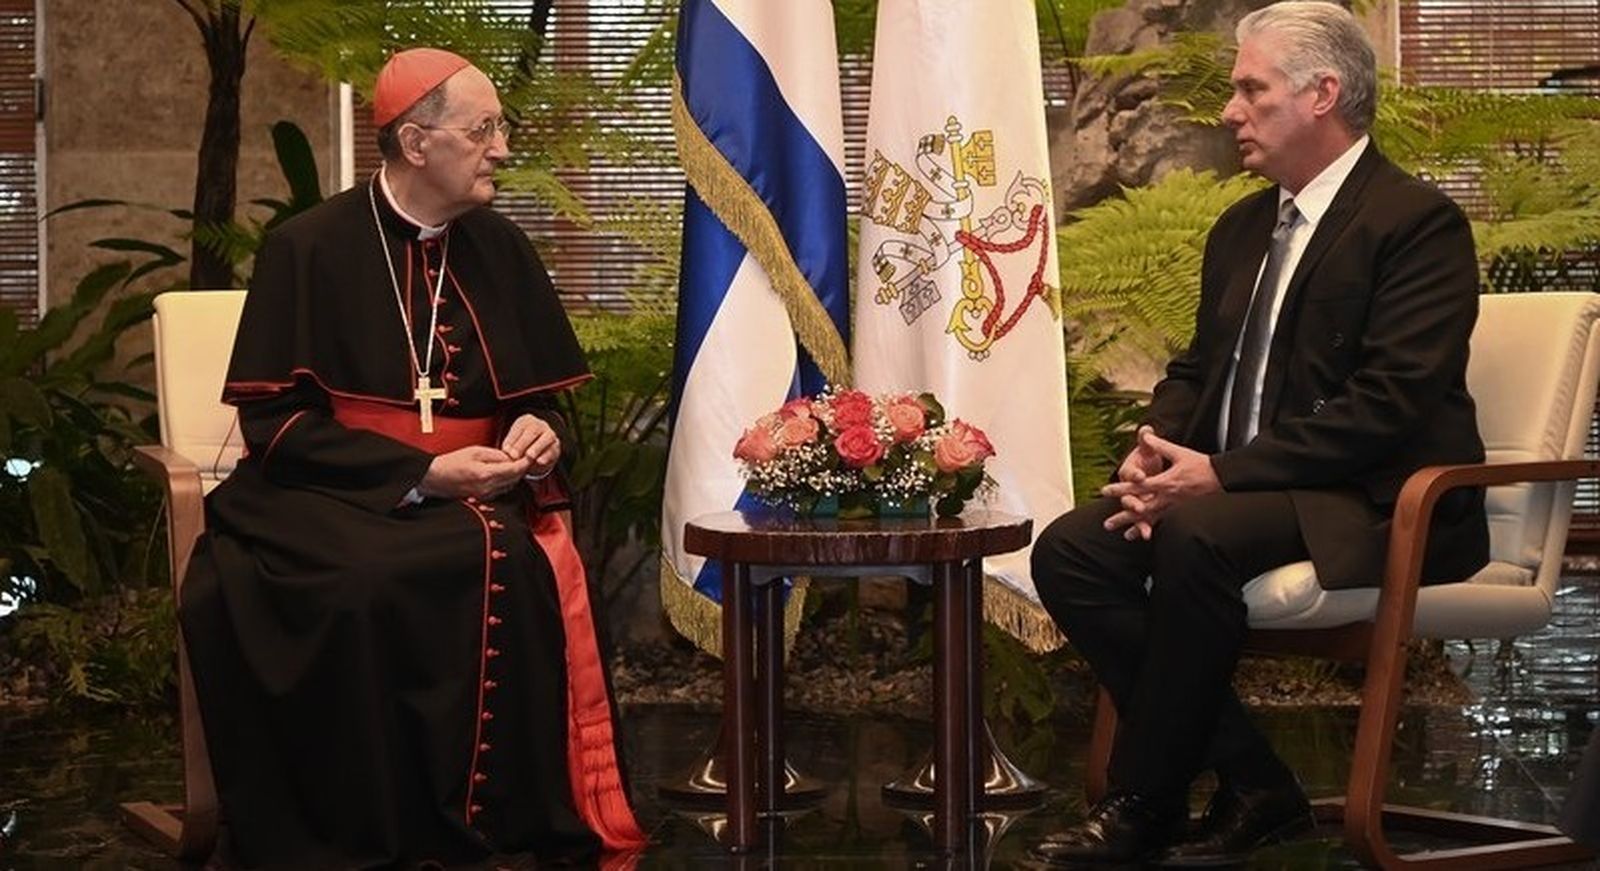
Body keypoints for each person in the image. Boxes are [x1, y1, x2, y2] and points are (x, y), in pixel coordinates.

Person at [1027, 2, 1489, 866]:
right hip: (1246, 490)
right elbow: (1198, 370)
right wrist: (1157, 442)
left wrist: (1222, 475)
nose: (1229, 111)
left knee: (1198, 531)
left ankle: (1143, 806)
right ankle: (1257, 782)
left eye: (1250, 89)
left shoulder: (1415, 223)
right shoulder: (1242, 227)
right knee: (1073, 550)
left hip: (1373, 499)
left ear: (1322, 94)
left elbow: (1387, 405)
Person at [178, 48, 648, 868]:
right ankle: (372, 827)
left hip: (478, 491)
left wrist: (537, 433)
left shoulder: (499, 247)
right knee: (366, 580)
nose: (502, 147)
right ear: (417, 143)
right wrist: (420, 474)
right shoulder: (307, 246)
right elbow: (277, 426)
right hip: (325, 492)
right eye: (484, 129)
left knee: (503, 552)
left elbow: (536, 396)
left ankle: (493, 819)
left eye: (500, 127)